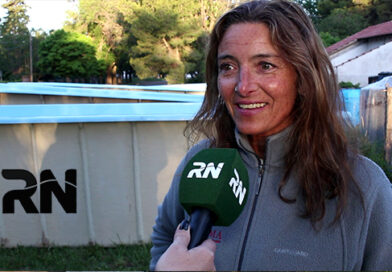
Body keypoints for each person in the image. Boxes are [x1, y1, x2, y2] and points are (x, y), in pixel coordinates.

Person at [150, 0, 392, 270]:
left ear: (302, 76)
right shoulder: (201, 161)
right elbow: (165, 236)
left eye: (265, 65)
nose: (243, 86)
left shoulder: (366, 187)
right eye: (228, 67)